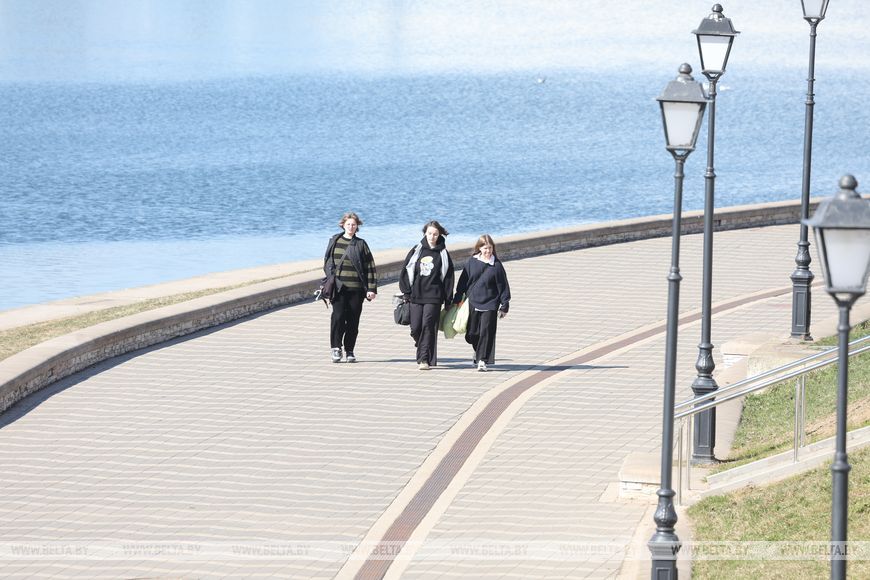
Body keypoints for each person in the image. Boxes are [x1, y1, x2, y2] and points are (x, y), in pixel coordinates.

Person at [399, 220, 455, 370]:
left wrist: (448, 299)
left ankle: (423, 359)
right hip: (416, 295)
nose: (432, 237)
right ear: (425, 233)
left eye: (435, 234)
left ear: (439, 235)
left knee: (428, 326)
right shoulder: (417, 250)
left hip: (434, 296)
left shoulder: (443, 253)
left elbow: (448, 278)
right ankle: (422, 345)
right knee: (415, 328)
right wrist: (406, 292)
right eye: (429, 233)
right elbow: (406, 270)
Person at [323, 211, 378, 363]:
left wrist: (371, 289)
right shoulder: (334, 241)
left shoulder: (361, 244)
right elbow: (327, 262)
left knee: (353, 321)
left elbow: (370, 267)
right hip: (339, 288)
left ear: (357, 226)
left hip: (357, 289)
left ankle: (349, 350)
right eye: (348, 224)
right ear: (343, 225)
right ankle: (336, 348)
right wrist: (331, 278)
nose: (351, 227)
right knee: (338, 317)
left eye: (353, 225)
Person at [453, 234, 511, 372]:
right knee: (472, 334)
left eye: (490, 248)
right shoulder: (472, 262)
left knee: (486, 332)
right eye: (485, 248)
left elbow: (503, 286)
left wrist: (504, 305)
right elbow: (463, 282)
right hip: (473, 301)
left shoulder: (496, 265)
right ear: (479, 248)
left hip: (490, 303)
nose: (488, 251)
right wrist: (457, 298)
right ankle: (477, 351)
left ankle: (482, 360)